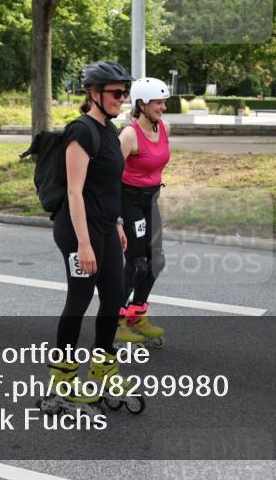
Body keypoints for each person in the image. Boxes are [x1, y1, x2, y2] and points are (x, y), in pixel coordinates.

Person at [42, 60, 142, 416]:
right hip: (76, 229)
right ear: (94, 93)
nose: (122, 98)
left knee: (115, 295)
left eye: (124, 92)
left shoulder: (111, 132)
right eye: (117, 92)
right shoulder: (81, 132)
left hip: (104, 225)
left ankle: (102, 369)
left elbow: (110, 185)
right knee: (80, 299)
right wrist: (84, 244)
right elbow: (74, 192)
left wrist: (116, 222)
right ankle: (62, 380)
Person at [115, 77, 172, 348]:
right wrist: (116, 218)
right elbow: (109, 178)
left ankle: (137, 315)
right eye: (158, 102)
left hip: (151, 201)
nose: (163, 107)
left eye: (164, 102)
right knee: (137, 262)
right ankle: (114, 320)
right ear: (142, 104)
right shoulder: (129, 135)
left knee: (156, 260)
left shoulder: (164, 128)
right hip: (128, 202)